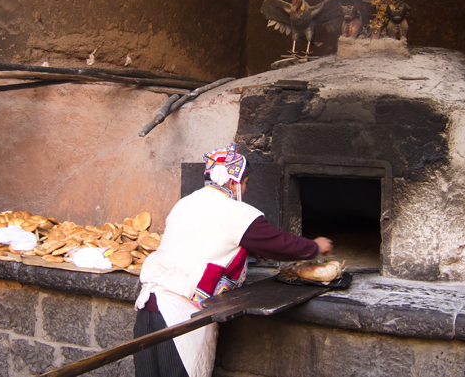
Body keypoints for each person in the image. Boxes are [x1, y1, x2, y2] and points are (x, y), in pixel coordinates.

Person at [133, 143, 333, 377]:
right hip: (178, 318)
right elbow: (281, 244)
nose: (246, 190)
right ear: (233, 182)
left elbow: (206, 241)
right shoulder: (237, 213)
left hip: (146, 309)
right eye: (245, 183)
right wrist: (315, 247)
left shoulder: (184, 203)